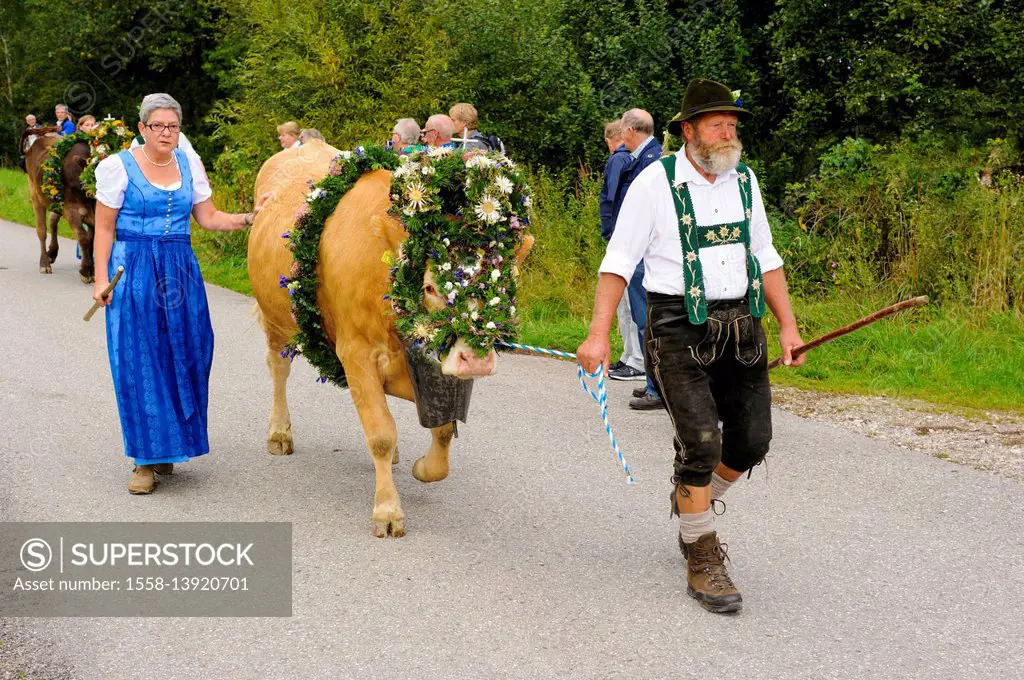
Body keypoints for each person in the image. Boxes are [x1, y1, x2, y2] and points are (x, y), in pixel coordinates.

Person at [576, 79, 805, 614]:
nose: (728, 133)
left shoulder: (744, 181)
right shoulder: (655, 183)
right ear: (688, 130)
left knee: (750, 444)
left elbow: (766, 258)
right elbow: (618, 261)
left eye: (732, 124)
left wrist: (788, 326)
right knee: (701, 442)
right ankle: (701, 553)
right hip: (678, 326)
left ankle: (691, 501)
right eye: (716, 124)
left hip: (743, 326)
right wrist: (598, 334)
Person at [91, 93, 271, 495]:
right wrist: (101, 278)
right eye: (158, 126)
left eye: (173, 126)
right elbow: (104, 228)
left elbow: (207, 217)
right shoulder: (117, 167)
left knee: (189, 351)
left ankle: (171, 444)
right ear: (142, 129)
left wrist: (248, 217)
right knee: (141, 360)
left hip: (180, 269)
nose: (166, 133)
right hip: (134, 267)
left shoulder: (188, 165)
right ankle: (144, 459)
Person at [611, 109, 664, 411]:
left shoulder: (651, 162)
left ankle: (658, 388)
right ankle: (654, 382)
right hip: (639, 249)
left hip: (644, 252)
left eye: (622, 132)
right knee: (643, 321)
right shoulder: (645, 159)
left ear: (631, 131)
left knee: (648, 321)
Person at [599, 120, 644, 383]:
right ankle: (630, 356)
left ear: (609, 140)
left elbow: (613, 199)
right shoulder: (634, 160)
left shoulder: (618, 160)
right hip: (627, 237)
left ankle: (636, 360)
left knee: (627, 302)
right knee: (627, 303)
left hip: (622, 238)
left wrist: (611, 233)